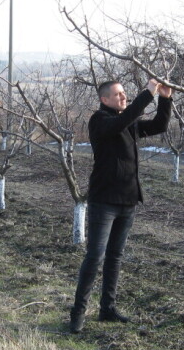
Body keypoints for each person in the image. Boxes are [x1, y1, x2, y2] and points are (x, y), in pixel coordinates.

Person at [70, 78, 173, 334]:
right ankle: (78, 313)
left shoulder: (128, 122)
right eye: (118, 95)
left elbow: (159, 125)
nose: (123, 97)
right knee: (95, 257)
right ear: (104, 100)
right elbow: (120, 122)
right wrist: (147, 93)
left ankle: (108, 309)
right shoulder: (100, 120)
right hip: (104, 201)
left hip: (128, 200)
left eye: (125, 94)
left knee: (115, 257)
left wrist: (165, 97)